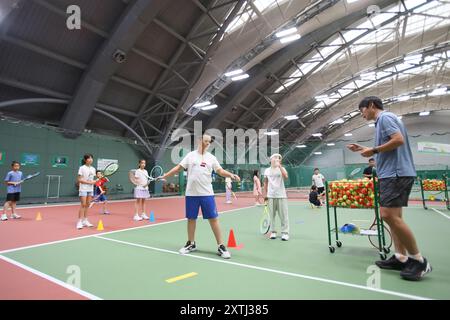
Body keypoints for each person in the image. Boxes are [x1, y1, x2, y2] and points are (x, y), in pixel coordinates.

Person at [347, 96, 431, 281]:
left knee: (388, 215)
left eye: (362, 110)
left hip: (396, 174)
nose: (361, 115)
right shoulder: (383, 121)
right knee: (394, 218)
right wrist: (366, 148)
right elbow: (390, 145)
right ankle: (401, 257)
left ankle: (419, 260)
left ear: (370, 105)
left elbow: (398, 140)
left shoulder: (384, 118)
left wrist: (374, 151)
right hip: (392, 174)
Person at [161, 134, 240, 259]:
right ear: (199, 141)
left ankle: (221, 246)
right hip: (191, 194)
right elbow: (178, 168)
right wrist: (166, 175)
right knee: (191, 219)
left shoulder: (211, 158)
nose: (207, 144)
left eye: (209, 142)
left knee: (213, 219)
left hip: (207, 194)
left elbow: (220, 171)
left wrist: (231, 175)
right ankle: (191, 243)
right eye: (205, 141)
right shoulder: (190, 156)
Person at [263, 154, 290, 241]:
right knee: (272, 215)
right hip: (271, 196)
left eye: (278, 158)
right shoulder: (267, 170)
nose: (277, 159)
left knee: (283, 215)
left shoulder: (282, 169)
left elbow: (286, 176)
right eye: (275, 158)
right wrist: (265, 195)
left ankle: (285, 233)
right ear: (271, 160)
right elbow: (265, 183)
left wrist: (280, 166)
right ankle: (273, 232)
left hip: (281, 195)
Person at [77, 154, 96, 229]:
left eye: (91, 158)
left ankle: (85, 220)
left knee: (88, 205)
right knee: (83, 205)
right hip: (83, 189)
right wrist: (90, 183)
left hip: (90, 189)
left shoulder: (93, 169)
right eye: (89, 158)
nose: (91, 159)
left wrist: (95, 181)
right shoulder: (82, 168)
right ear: (85, 160)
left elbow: (92, 179)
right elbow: (79, 179)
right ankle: (79, 222)